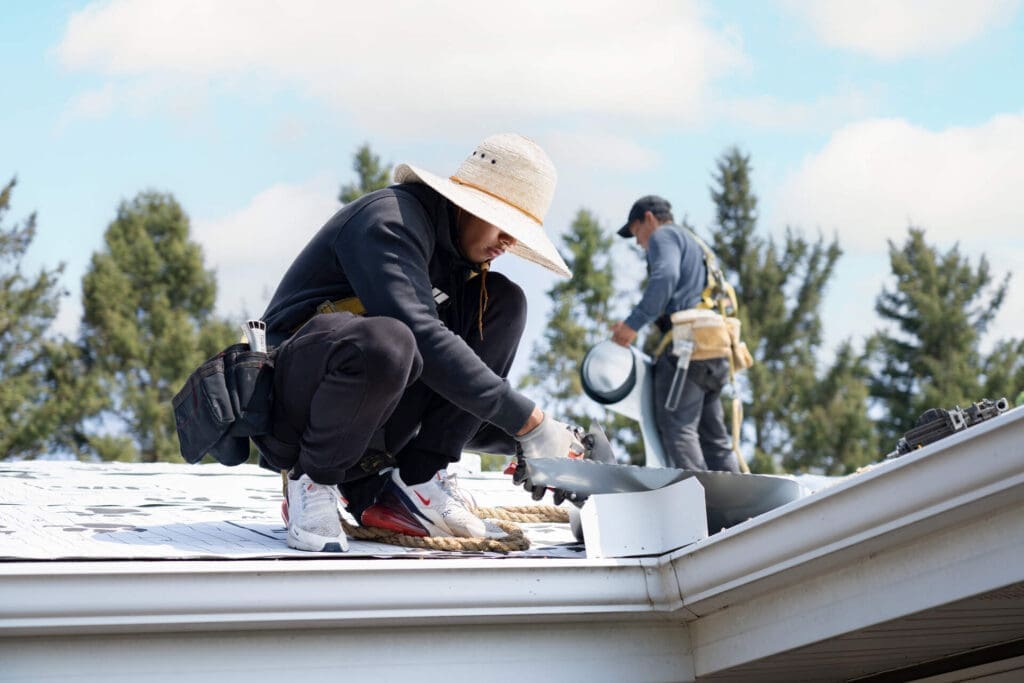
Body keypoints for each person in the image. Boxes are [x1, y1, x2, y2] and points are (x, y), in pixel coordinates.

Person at [254, 133, 585, 552]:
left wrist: (530, 440)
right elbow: (421, 336)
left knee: (502, 302)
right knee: (390, 338)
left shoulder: (455, 259)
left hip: (379, 413)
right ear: (467, 205)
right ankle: (313, 482)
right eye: (505, 225)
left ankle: (418, 481)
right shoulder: (389, 222)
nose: (509, 242)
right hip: (302, 410)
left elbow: (449, 379)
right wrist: (530, 422)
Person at [610, 195, 739, 473]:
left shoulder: (663, 236)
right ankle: (742, 511)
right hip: (714, 349)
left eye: (636, 233)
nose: (638, 242)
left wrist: (632, 325)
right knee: (715, 440)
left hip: (687, 350)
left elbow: (665, 277)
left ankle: (706, 505)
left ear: (649, 219)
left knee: (678, 429)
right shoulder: (695, 244)